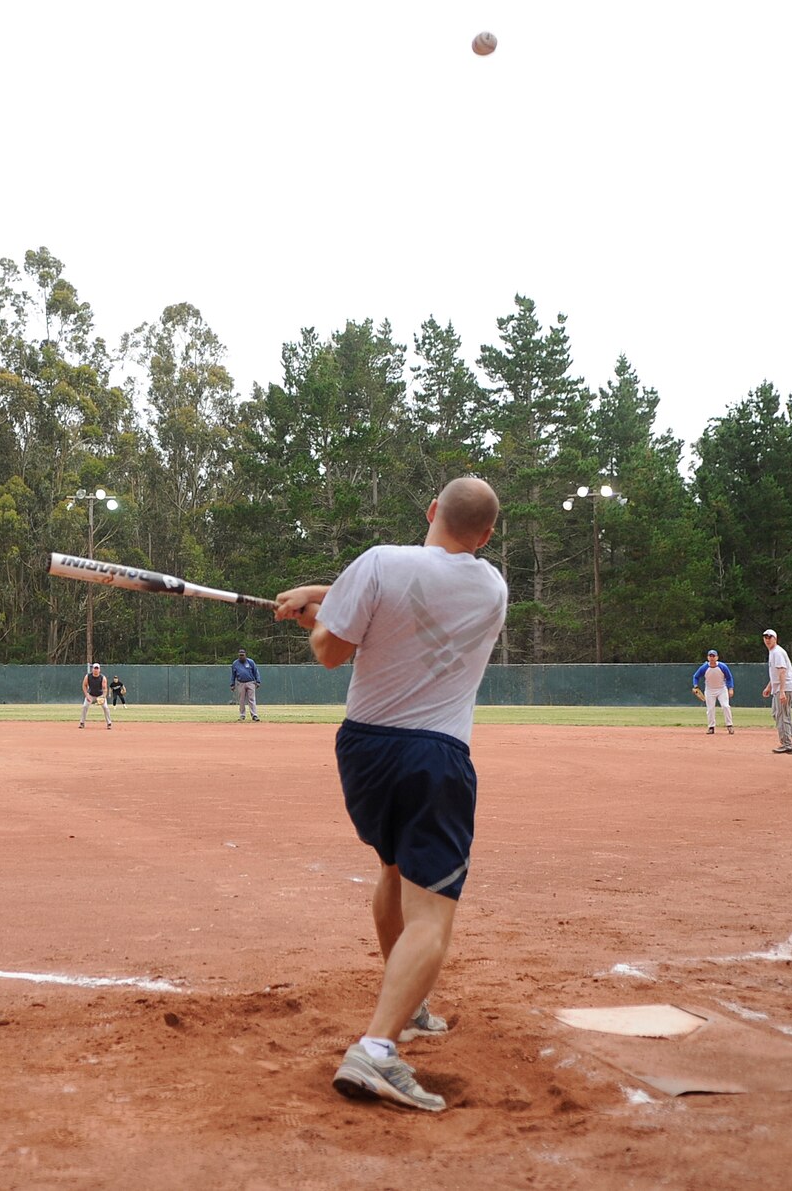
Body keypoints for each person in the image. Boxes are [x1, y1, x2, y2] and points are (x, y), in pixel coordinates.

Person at [273, 476, 507, 1114]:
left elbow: (330, 651)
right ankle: (377, 1049)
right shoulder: (492, 587)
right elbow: (415, 598)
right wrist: (330, 598)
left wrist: (321, 609)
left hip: (364, 753)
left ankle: (410, 1004)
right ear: (485, 537)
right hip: (434, 755)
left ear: (430, 510)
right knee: (432, 912)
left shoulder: (378, 563)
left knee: (392, 866)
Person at [762, 629, 792, 754]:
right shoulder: (773, 652)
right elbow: (776, 673)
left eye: (770, 637)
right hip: (782, 687)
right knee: (777, 714)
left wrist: (782, 691)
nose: (767, 639)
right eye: (765, 637)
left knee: (782, 715)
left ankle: (787, 744)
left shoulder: (777, 652)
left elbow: (782, 671)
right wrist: (769, 686)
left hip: (785, 687)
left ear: (775, 639)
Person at [691, 649, 736, 735]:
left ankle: (729, 725)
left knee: (725, 706)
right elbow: (695, 676)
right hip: (709, 690)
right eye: (710, 656)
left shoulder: (722, 666)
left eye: (713, 656)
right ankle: (711, 727)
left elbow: (729, 678)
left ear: (717, 657)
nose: (712, 658)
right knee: (710, 709)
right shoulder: (704, 667)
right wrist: (695, 686)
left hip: (722, 689)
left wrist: (731, 688)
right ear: (708, 657)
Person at [79, 661, 113, 729]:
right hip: (91, 695)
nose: (96, 670)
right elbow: (84, 686)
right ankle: (82, 723)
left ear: (99, 670)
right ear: (92, 669)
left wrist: (103, 697)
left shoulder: (102, 678)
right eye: (95, 668)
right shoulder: (88, 676)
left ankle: (109, 723)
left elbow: (105, 689)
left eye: (97, 668)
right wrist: (87, 695)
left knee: (105, 707)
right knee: (85, 706)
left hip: (100, 695)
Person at [230, 647, 262, 722]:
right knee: (241, 700)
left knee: (251, 699)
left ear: (245, 655)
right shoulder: (235, 663)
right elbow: (233, 675)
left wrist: (258, 681)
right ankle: (242, 715)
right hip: (240, 683)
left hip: (250, 682)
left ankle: (254, 715)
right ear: (238, 655)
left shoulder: (250, 662)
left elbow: (256, 672)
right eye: (240, 655)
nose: (241, 657)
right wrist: (232, 684)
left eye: (242, 655)